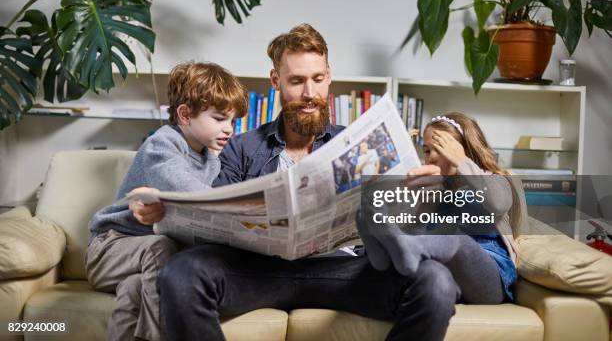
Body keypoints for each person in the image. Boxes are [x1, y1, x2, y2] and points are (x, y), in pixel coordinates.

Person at [159, 24, 467, 341]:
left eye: (318, 79)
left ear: (329, 76)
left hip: (344, 271)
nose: (310, 94)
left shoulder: (359, 143)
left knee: (436, 282)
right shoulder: (242, 147)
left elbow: (402, 228)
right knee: (182, 273)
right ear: (276, 81)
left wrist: (419, 200)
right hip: (261, 272)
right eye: (296, 81)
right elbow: (210, 227)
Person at [86, 61, 247, 341]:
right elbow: (184, 189)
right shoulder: (162, 144)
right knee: (161, 248)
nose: (229, 129)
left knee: (136, 291)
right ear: (185, 114)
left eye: (233, 121)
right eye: (220, 119)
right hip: (109, 250)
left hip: (140, 265)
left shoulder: (211, 160)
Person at [358, 112, 525, 309]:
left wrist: (462, 163)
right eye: (427, 151)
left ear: (463, 150)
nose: (432, 158)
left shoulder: (489, 178)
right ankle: (379, 258)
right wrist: (425, 204)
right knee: (376, 216)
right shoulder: (435, 188)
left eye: (440, 149)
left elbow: (499, 203)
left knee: (451, 234)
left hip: (490, 277)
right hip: (443, 277)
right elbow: (409, 247)